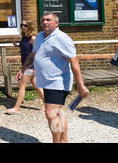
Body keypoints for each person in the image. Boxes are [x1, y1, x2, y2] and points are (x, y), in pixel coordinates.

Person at [17, 12, 89, 143]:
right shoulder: (39, 37)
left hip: (58, 81)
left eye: (48, 20)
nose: (45, 22)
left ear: (56, 23)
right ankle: (63, 140)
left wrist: (80, 85)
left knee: (50, 114)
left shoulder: (62, 38)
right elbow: (33, 55)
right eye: (43, 20)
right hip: (45, 81)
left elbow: (74, 61)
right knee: (58, 112)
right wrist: (22, 69)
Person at [5, 19, 44, 115]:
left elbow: (38, 52)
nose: (23, 27)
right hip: (25, 64)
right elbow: (26, 48)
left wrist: (36, 67)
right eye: (21, 25)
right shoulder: (24, 37)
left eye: (25, 25)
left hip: (31, 65)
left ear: (30, 26)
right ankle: (48, 104)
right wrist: (17, 45)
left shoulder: (33, 38)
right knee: (36, 85)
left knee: (22, 85)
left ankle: (16, 108)